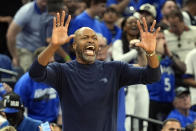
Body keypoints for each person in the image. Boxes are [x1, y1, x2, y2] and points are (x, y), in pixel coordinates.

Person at [29, 10, 161, 131]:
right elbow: (35, 73)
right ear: (74, 45)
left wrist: (150, 52)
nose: (90, 41)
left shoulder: (115, 69)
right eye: (85, 38)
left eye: (94, 38)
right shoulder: (62, 71)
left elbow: (152, 76)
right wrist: (53, 46)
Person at [112, 16, 149, 131]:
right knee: (127, 120)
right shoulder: (118, 43)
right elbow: (118, 61)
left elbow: (147, 66)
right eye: (130, 22)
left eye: (136, 23)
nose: (133, 25)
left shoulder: (145, 44)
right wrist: (135, 50)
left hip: (141, 84)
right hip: (127, 85)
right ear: (124, 27)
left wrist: (141, 49)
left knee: (142, 121)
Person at [14, 47, 60, 123]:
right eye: (48, 63)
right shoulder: (24, 82)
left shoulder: (57, 77)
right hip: (33, 123)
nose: (52, 66)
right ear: (37, 64)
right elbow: (18, 110)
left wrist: (60, 126)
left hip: (54, 123)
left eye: (53, 62)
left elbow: (62, 106)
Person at [6, 0, 47, 72]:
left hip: (42, 48)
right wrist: (15, 57)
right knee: (29, 73)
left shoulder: (52, 9)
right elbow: (10, 35)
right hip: (26, 50)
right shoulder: (26, 11)